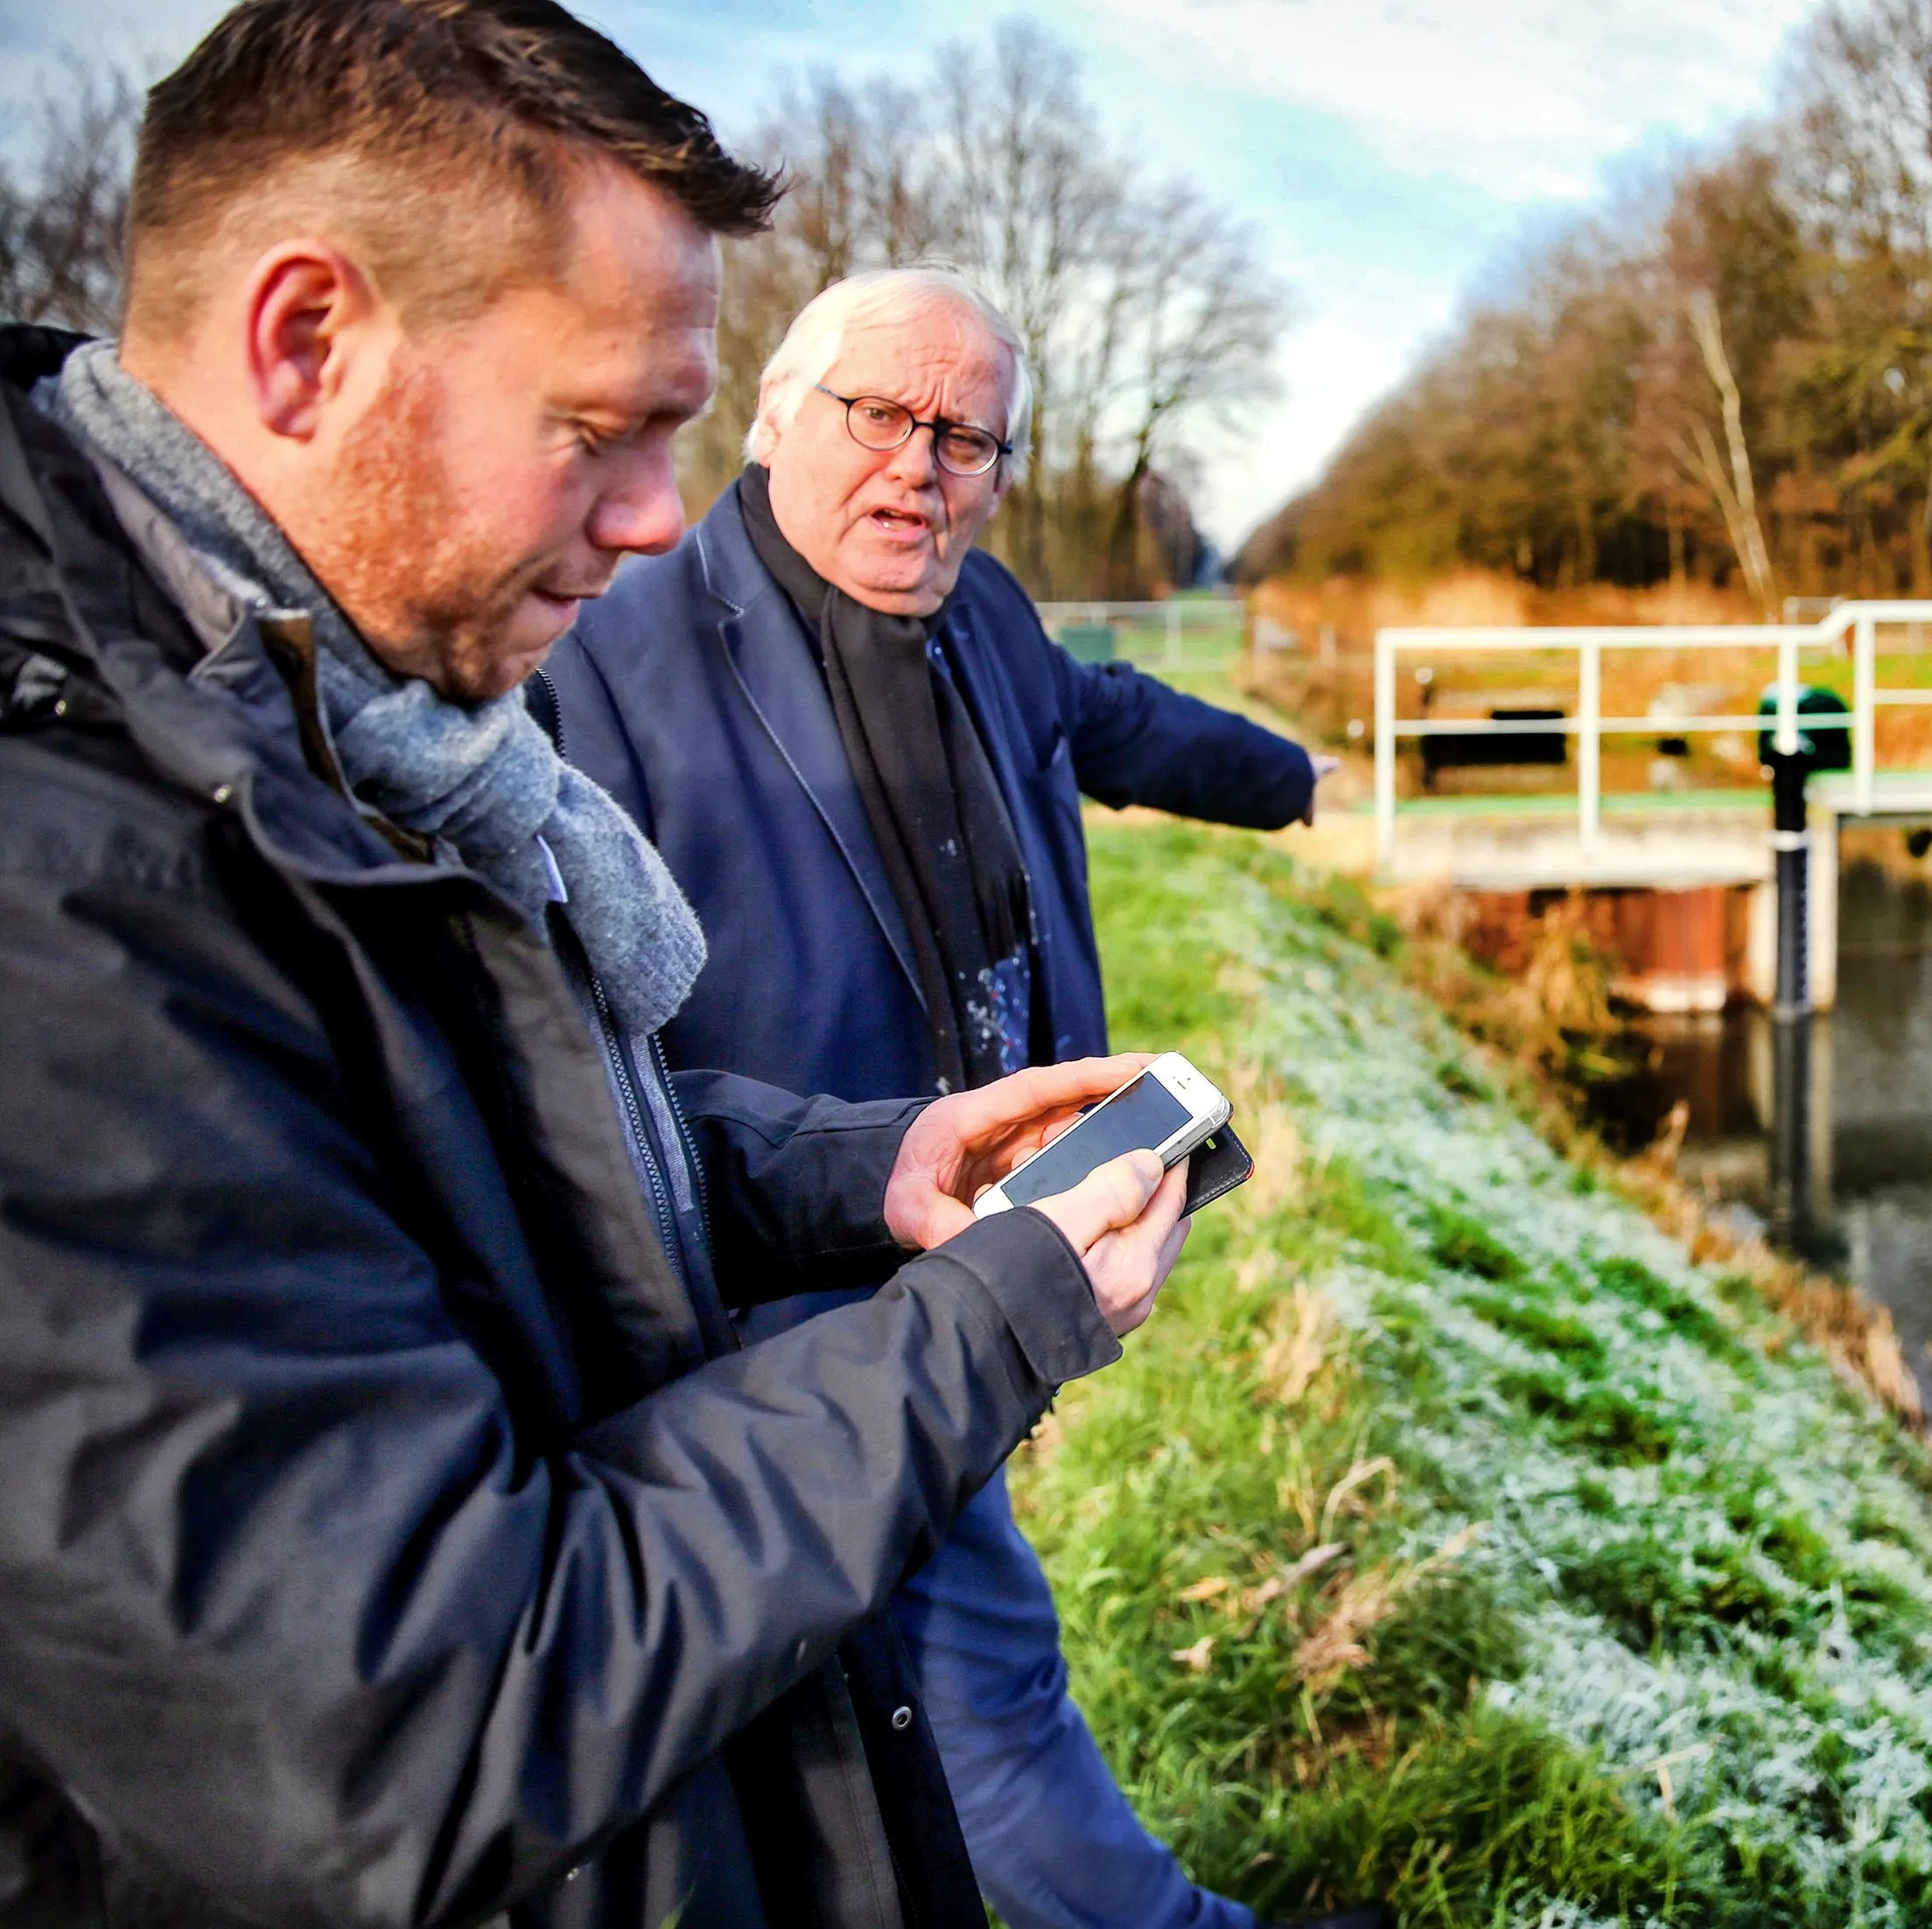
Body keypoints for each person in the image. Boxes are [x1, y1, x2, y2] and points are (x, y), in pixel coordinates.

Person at [0, 4, 1195, 1923]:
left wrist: (838, 1172)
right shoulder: (63, 904)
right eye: (599, 433)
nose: (656, 522)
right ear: (306, 342)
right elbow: (427, 1707)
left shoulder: (358, 730)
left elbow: (447, 1170)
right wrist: (986, 1324)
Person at [541, 270, 1360, 1929]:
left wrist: (1296, 780)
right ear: (775, 417)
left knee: (919, 1693)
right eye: (880, 415)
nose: (918, 464)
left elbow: (1107, 722)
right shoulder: (609, 663)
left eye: (964, 434)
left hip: (987, 1238)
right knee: (979, 1685)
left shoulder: (982, 613)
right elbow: (578, 1067)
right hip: (795, 1301)